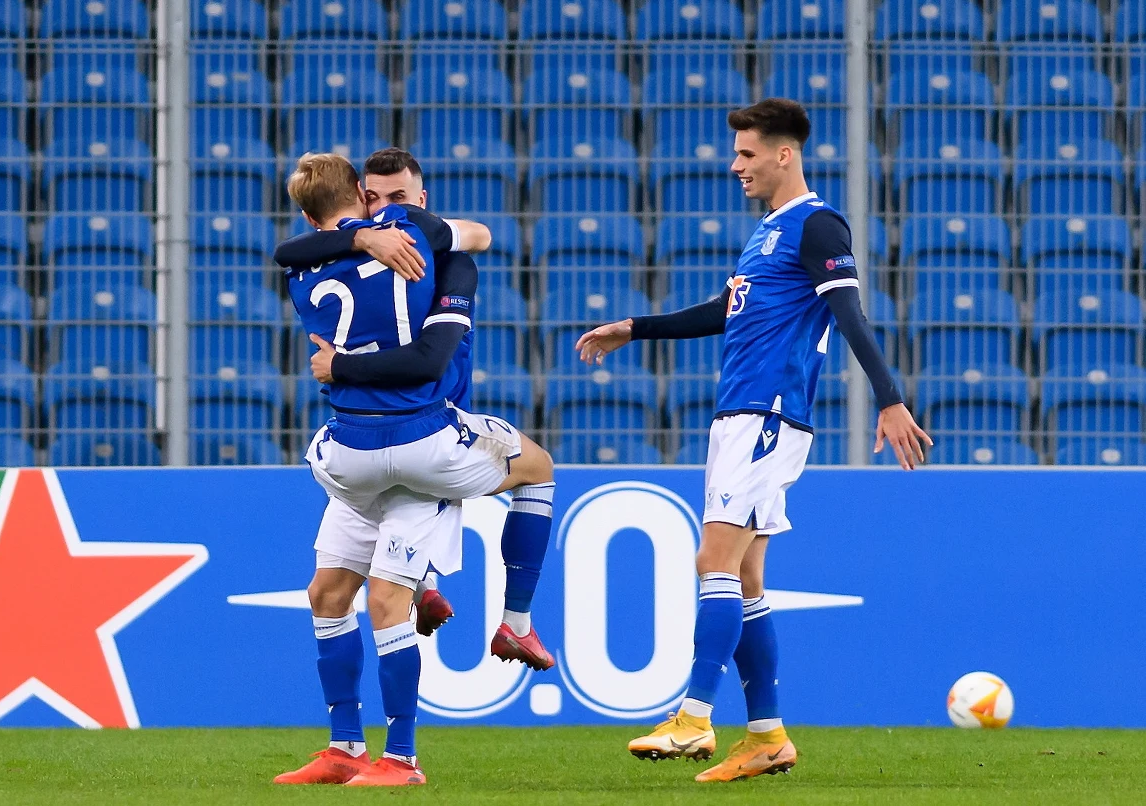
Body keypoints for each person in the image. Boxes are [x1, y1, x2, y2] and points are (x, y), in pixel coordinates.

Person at [576, 99, 932, 784]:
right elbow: (726, 310)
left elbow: (847, 310)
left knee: (712, 556)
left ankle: (693, 717)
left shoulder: (816, 224)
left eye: (746, 153)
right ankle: (767, 736)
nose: (734, 165)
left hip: (765, 415)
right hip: (743, 413)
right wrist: (635, 327)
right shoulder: (767, 232)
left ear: (783, 154)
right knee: (743, 577)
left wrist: (889, 400)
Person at [273, 153, 553, 787]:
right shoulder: (420, 236)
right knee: (535, 467)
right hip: (425, 442)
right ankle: (397, 754)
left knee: (328, 596)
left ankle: (350, 740)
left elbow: (287, 251)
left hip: (347, 452)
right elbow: (475, 237)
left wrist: (353, 241)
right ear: (363, 199)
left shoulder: (303, 264)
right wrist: (388, 231)